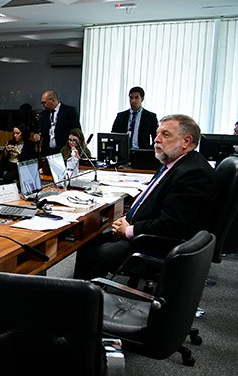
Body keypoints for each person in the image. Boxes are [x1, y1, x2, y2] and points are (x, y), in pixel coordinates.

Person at [74, 114, 218, 280]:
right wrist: (127, 219)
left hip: (157, 245)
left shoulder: (193, 174)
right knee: (86, 242)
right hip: (145, 231)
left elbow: (171, 226)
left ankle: (87, 296)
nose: (156, 139)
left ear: (186, 141)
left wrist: (129, 230)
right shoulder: (175, 164)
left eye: (165, 134)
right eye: (157, 134)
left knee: (92, 255)